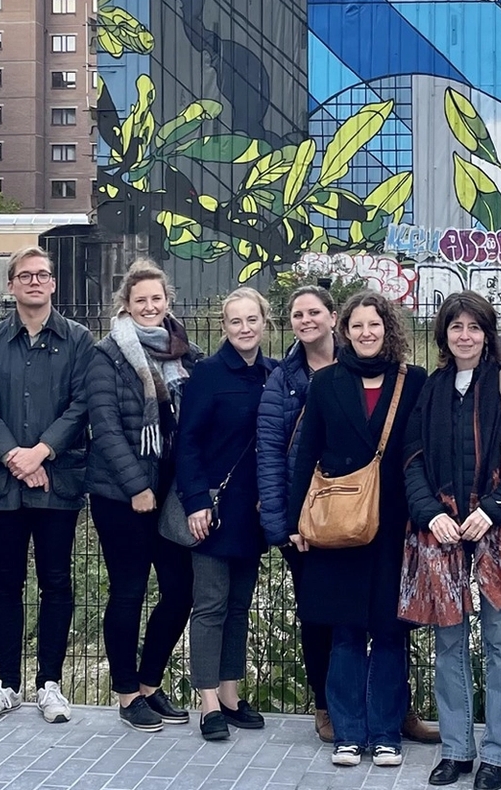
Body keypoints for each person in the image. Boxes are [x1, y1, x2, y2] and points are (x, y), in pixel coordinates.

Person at [402, 291, 501, 790]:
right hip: (442, 536)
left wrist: (492, 510)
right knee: (449, 644)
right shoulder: (432, 388)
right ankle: (457, 748)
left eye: (474, 327)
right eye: (456, 327)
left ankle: (497, 755)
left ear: (488, 335)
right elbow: (412, 459)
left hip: (499, 536)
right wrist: (430, 514)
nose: (465, 335)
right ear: (444, 334)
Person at [287, 291, 427, 770]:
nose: (367, 333)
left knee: (389, 633)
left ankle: (386, 732)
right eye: (358, 325)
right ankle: (348, 733)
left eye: (375, 325)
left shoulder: (415, 382)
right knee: (344, 633)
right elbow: (306, 453)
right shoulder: (324, 384)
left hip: (395, 527)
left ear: (388, 330)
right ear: (344, 331)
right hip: (340, 527)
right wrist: (293, 522)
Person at [0, 246, 93, 725]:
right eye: (25, 275)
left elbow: (82, 404)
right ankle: (6, 684)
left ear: (54, 284)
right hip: (4, 485)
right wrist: (14, 457)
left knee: (57, 582)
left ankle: (50, 683)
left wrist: (41, 452)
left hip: (57, 480)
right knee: (5, 583)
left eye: (43, 275)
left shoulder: (79, 340)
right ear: (11, 285)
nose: (35, 282)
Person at [87, 258, 202, 732]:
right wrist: (136, 486)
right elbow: (105, 424)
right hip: (121, 492)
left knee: (180, 590)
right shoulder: (108, 353)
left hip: (170, 488)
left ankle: (151, 685)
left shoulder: (187, 353)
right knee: (130, 590)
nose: (150, 306)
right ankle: (126, 692)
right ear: (126, 306)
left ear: (167, 302)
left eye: (157, 299)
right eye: (141, 301)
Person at [176, 287, 278, 742]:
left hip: (252, 512)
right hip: (212, 510)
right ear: (223, 327)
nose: (244, 328)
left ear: (264, 322)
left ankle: (233, 695)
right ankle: (209, 701)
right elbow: (188, 443)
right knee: (211, 605)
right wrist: (195, 500)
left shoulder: (274, 375)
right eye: (235, 321)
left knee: (239, 606)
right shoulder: (208, 374)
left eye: (251, 319)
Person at [256, 285, 340, 742]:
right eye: (298, 314)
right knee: (316, 614)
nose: (306, 320)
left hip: (354, 509)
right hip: (303, 518)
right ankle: (324, 705)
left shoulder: (357, 365)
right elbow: (269, 454)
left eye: (314, 312)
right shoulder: (282, 379)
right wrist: (283, 525)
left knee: (371, 613)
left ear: (332, 317)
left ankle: (388, 703)